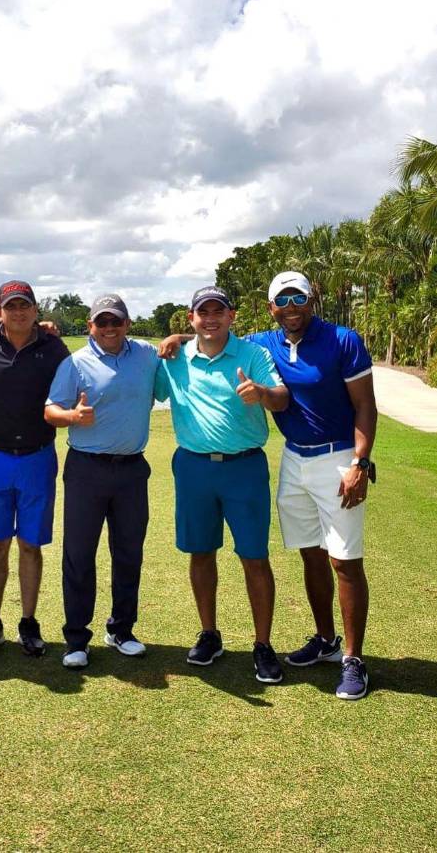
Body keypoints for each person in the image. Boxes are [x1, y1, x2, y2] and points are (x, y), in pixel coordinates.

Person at [248, 271, 377, 700]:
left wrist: (360, 462)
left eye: (297, 298)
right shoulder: (264, 343)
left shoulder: (343, 340)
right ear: (271, 308)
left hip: (339, 458)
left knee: (344, 559)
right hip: (294, 459)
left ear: (311, 299)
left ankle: (353, 659)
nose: (290, 307)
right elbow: (215, 334)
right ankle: (326, 640)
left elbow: (365, 405)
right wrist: (173, 339)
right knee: (311, 553)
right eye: (281, 300)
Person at [155, 286, 289, 683]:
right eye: (203, 312)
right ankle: (209, 634)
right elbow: (136, 374)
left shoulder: (253, 355)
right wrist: (173, 341)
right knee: (200, 552)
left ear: (232, 315)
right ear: (191, 318)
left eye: (218, 311)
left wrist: (262, 392)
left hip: (244, 468)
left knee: (254, 556)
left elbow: (281, 398)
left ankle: (263, 645)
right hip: (194, 468)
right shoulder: (174, 358)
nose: (210, 318)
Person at [45, 294, 159, 669]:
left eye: (116, 321)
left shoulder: (145, 354)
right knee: (79, 554)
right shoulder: (75, 363)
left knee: (128, 552)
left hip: (130, 469)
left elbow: (190, 345)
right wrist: (72, 417)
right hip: (86, 469)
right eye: (102, 322)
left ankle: (121, 630)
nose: (109, 328)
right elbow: (50, 411)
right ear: (90, 325)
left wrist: (179, 339)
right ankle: (77, 638)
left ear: (127, 323)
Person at [0, 280, 70, 657]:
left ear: (36, 310)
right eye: (11, 306)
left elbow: (76, 383)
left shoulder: (53, 347)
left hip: (38, 458)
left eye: (25, 305)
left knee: (31, 545)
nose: (18, 312)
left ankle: (29, 621)